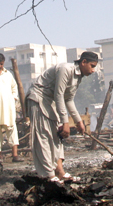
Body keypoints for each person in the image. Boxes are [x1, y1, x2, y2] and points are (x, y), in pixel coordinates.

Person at [25, 51, 99, 181]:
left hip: (51, 101)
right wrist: (65, 123)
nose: (93, 70)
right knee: (44, 136)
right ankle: (48, 175)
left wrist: (78, 121)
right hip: (39, 98)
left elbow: (69, 99)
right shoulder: (66, 69)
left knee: (57, 136)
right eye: (92, 66)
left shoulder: (78, 78)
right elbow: (59, 95)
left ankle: (60, 172)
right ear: (83, 62)